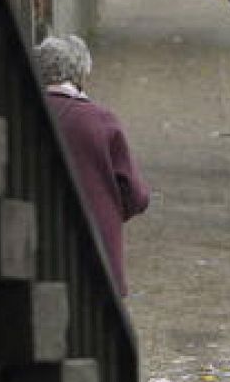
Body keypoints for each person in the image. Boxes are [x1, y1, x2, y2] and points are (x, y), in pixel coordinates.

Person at [33, 35, 151, 295]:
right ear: (80, 75)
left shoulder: (22, 112)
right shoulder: (100, 120)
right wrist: (109, 210)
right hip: (96, 250)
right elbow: (136, 196)